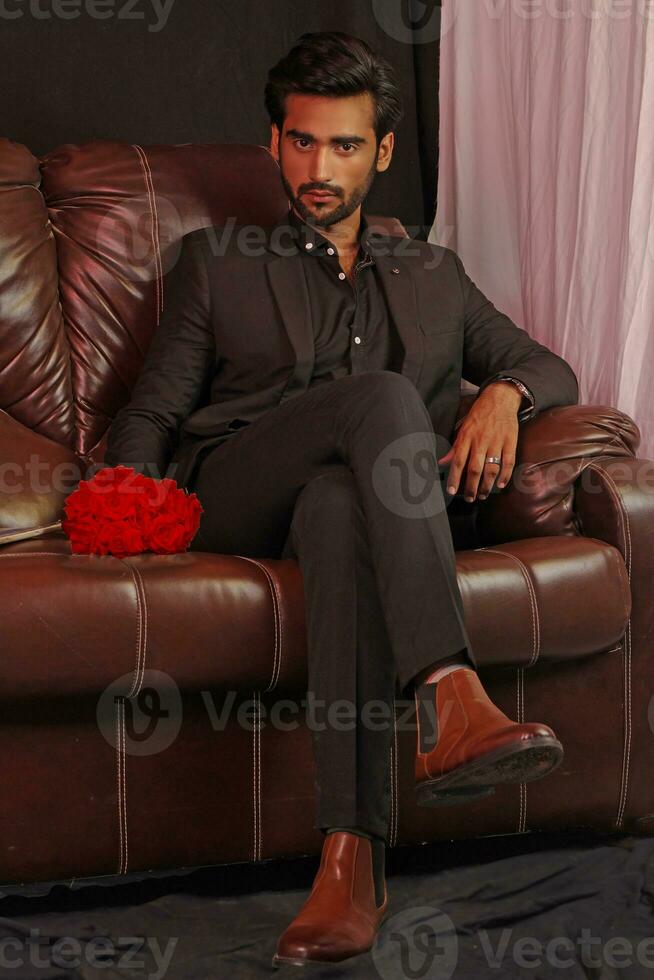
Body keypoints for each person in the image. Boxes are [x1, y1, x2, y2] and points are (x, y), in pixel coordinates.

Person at [104, 31, 579, 970]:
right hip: (243, 486)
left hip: (358, 513)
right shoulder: (219, 261)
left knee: (336, 505)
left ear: (385, 151)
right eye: (303, 142)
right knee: (381, 402)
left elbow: (544, 364)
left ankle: (350, 862)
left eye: (346, 145)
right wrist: (127, 510)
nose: (321, 167)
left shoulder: (435, 275)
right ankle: (450, 689)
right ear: (275, 142)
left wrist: (504, 395)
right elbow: (153, 410)